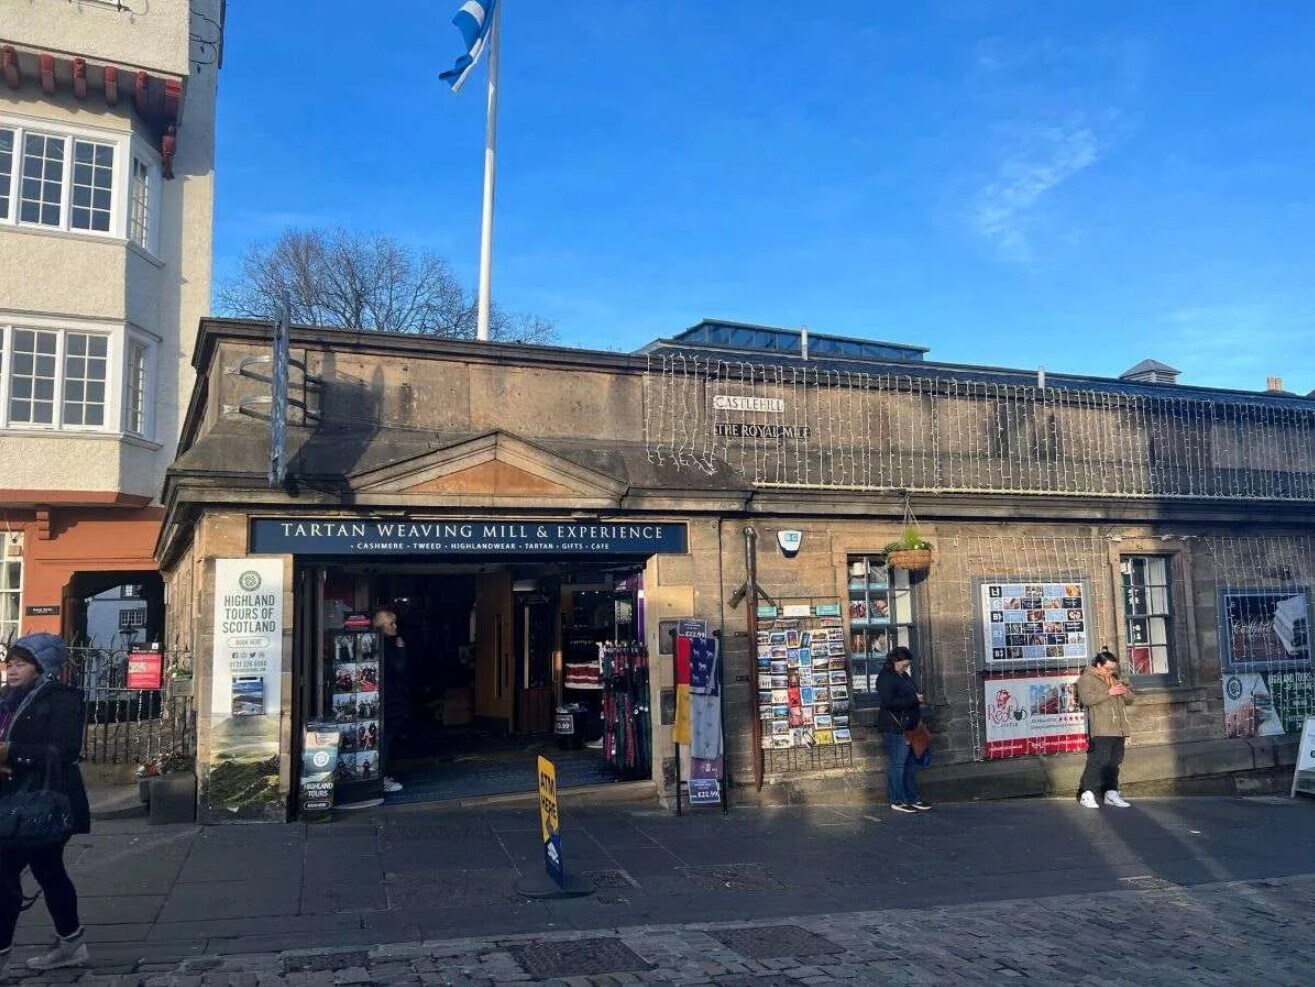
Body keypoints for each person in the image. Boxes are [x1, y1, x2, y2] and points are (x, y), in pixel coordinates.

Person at [0, 633, 91, 973]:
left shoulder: (62, 699)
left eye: (20, 664)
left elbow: (64, 751)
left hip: (47, 801)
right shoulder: (7, 700)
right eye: (9, 664)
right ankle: (71, 941)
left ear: (40, 667)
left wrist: (12, 753)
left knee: (5, 873)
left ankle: (2, 957)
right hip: (14, 799)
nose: (12, 670)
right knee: (49, 871)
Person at [1076, 650, 1136, 809]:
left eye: (1112, 669)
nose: (1110, 672)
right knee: (1097, 761)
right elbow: (1086, 699)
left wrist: (1124, 691)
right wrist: (1108, 692)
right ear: (1098, 665)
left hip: (1119, 728)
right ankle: (1087, 794)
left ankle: (1111, 793)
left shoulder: (1113, 679)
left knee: (1114, 763)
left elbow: (1130, 700)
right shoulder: (1086, 678)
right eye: (1107, 669)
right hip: (1102, 728)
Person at [875, 647, 930, 813]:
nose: (906, 667)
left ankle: (911, 798)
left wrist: (915, 698)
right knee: (898, 764)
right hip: (895, 727)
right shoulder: (886, 677)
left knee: (909, 765)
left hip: (910, 726)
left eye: (907, 665)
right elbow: (888, 703)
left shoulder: (903, 675)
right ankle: (897, 800)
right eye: (904, 664)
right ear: (895, 661)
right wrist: (914, 698)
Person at [372, 609, 409, 794]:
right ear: (382, 626)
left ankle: (380, 776)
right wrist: (401, 649)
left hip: (385, 698)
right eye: (391, 623)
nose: (395, 626)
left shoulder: (375, 643)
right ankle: (380, 778)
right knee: (385, 740)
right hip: (390, 700)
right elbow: (399, 670)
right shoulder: (389, 645)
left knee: (384, 739)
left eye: (395, 623)